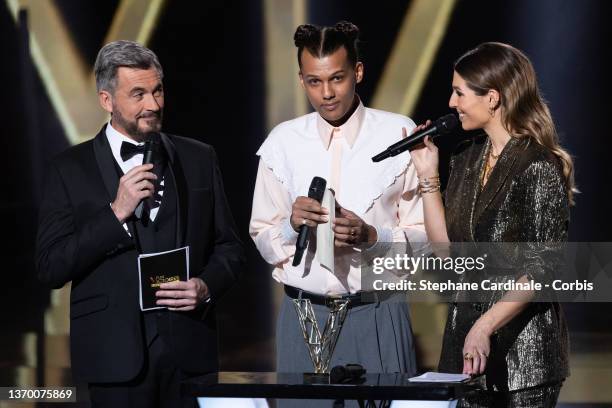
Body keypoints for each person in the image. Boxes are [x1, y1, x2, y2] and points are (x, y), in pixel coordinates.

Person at [36, 40, 244, 408]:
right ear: (106, 100)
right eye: (138, 94)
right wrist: (115, 212)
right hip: (113, 358)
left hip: (188, 353)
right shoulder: (68, 169)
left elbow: (229, 247)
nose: (154, 104)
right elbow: (51, 266)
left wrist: (205, 286)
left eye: (158, 90)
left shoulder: (199, 157)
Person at [249, 21, 426, 406]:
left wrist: (372, 238)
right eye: (314, 81)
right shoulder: (283, 142)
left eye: (337, 79)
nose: (326, 93)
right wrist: (292, 226)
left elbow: (425, 239)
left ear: (357, 72)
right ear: (301, 80)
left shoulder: (398, 133)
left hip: (377, 312)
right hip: (303, 315)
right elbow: (262, 234)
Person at [410, 42, 576, 407]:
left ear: (493, 98)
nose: (451, 103)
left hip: (523, 358)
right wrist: (427, 176)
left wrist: (485, 325)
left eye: (459, 92)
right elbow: (445, 252)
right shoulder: (466, 158)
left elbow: (542, 268)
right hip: (465, 350)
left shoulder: (538, 164)